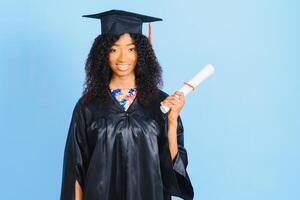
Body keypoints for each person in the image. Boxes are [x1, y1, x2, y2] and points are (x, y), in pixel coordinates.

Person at [60, 10, 194, 200]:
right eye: (114, 49)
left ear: (142, 53)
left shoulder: (161, 104)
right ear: (102, 53)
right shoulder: (88, 106)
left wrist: (171, 122)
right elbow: (76, 170)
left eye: (131, 49)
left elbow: (172, 176)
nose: (123, 58)